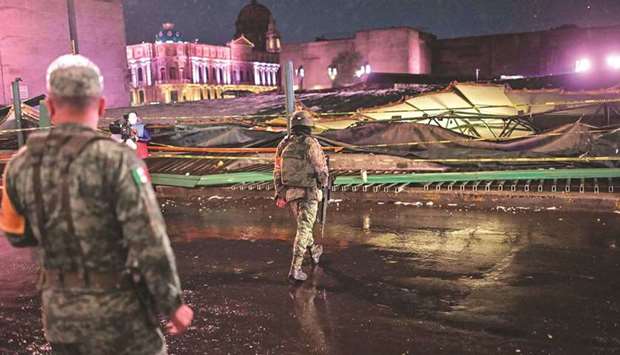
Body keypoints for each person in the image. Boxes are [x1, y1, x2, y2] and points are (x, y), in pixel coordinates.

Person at [0, 54, 193, 354]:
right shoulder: (117, 160)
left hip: (61, 316)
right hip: (120, 313)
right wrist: (171, 303)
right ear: (101, 106)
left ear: (50, 107)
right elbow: (148, 237)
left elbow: (16, 233)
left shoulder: (20, 165)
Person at [274, 111, 328, 282]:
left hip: (291, 193)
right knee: (304, 228)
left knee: (304, 226)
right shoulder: (311, 143)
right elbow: (320, 169)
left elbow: (277, 170)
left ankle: (314, 251)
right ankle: (295, 269)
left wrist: (280, 193)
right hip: (309, 193)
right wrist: (324, 183)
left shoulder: (283, 143)